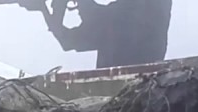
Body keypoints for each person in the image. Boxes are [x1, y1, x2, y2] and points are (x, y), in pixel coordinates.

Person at [35, 0, 173, 69]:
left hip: (131, 88)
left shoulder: (144, 8)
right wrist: (43, 9)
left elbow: (101, 18)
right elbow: (68, 41)